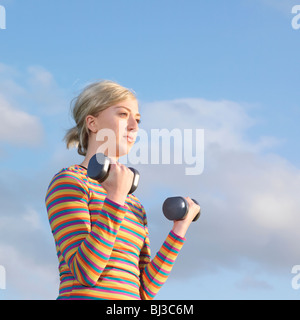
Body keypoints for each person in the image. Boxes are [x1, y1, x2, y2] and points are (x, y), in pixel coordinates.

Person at [45, 80, 200, 300]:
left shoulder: (134, 204)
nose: (134, 126)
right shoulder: (70, 181)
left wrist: (179, 230)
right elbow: (85, 272)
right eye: (122, 115)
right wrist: (115, 198)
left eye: (137, 119)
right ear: (92, 123)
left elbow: (144, 291)